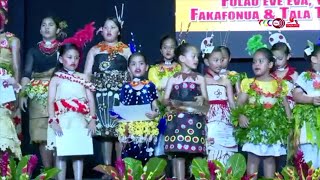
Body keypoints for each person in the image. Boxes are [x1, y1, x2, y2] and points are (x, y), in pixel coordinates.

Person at [233, 48, 291, 179]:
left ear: (270, 65)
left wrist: (290, 125)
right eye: (254, 62)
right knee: (253, 158)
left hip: (272, 129)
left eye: (260, 61)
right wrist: (241, 115)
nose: (256, 64)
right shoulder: (249, 84)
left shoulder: (279, 84)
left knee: (270, 159)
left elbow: (286, 106)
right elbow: (239, 104)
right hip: (254, 127)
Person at [84, 17, 131, 166]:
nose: (109, 30)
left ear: (118, 31)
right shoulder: (95, 50)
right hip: (101, 96)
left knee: (119, 132)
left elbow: (132, 72)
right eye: (106, 27)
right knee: (106, 133)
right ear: (101, 31)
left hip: (120, 95)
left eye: (113, 27)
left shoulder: (126, 50)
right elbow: (87, 74)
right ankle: (107, 168)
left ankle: (120, 166)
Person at [47, 43, 96, 180]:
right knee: (61, 153)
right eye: (69, 57)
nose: (73, 60)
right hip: (62, 120)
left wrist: (92, 119)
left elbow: (91, 100)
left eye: (76, 57)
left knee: (78, 153)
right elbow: (50, 101)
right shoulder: (56, 79)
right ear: (61, 59)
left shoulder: (83, 77)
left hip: (79, 120)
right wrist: (53, 120)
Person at [20, 16, 64, 167]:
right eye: (43, 25)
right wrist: (23, 94)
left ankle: (59, 174)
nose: (46, 27)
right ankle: (48, 172)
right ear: (39, 29)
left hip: (59, 92)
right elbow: (26, 73)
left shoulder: (63, 49)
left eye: (50, 25)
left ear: (57, 30)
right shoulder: (33, 51)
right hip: (38, 94)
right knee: (41, 134)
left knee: (59, 132)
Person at [164, 43, 208, 179]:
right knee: (179, 153)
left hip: (194, 120)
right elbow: (165, 99)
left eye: (197, 57)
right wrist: (171, 104)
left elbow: (206, 100)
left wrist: (202, 98)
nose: (196, 59)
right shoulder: (173, 79)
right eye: (193, 56)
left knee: (195, 153)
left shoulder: (200, 79)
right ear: (182, 58)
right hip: (177, 121)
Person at [117, 52, 159, 164]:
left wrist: (155, 113)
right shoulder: (125, 86)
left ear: (146, 67)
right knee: (129, 156)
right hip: (129, 128)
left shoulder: (150, 85)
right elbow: (121, 106)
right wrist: (116, 116)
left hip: (146, 128)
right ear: (129, 68)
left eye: (141, 63)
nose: (137, 67)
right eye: (133, 64)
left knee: (145, 154)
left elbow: (155, 106)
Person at [148, 35, 181, 157]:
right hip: (160, 109)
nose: (168, 50)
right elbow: (156, 89)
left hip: (177, 110)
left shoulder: (180, 68)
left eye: (171, 47)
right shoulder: (154, 70)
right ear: (161, 50)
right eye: (165, 47)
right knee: (159, 146)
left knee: (175, 144)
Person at [204, 47, 237, 165]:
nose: (219, 63)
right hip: (210, 119)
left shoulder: (226, 81)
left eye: (221, 60)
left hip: (225, 119)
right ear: (207, 62)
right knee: (213, 152)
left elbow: (232, 102)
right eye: (215, 60)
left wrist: (237, 117)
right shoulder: (202, 80)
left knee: (228, 151)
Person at [293, 42, 320, 168]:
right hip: (310, 129)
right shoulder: (305, 77)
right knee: (310, 164)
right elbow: (296, 95)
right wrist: (311, 100)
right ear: (314, 59)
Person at [0, 3, 22, 159]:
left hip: (5, 88)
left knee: (5, 128)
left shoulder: (12, 40)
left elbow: (16, 66)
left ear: (6, 20)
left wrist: (17, 92)